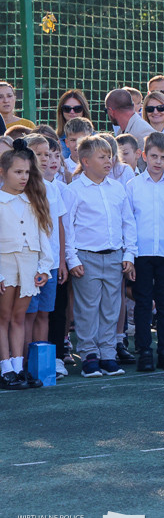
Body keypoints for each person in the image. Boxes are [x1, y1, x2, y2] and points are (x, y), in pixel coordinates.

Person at [65, 135, 137, 378]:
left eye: (110, 156)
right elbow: (68, 228)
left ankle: (108, 354)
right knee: (88, 308)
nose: (108, 161)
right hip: (87, 259)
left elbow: (128, 223)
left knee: (111, 307)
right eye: (102, 157)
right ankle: (89, 355)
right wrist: (72, 259)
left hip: (115, 257)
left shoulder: (117, 188)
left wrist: (129, 254)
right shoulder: (74, 190)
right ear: (85, 161)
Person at [125, 132, 164, 372]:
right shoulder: (133, 187)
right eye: (153, 156)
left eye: (163, 157)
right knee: (142, 304)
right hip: (141, 254)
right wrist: (129, 257)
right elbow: (128, 223)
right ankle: (144, 352)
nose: (158, 162)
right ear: (144, 156)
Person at [0, 141, 53, 389]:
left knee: (19, 317)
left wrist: (44, 267)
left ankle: (19, 367)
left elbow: (43, 236)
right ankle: (5, 368)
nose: (23, 177)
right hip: (6, 265)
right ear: (3, 172)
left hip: (29, 265)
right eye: (17, 172)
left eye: (26, 172)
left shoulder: (34, 202)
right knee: (3, 317)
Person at [22, 136, 67, 376]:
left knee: (44, 314)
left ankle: (41, 366)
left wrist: (61, 261)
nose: (45, 159)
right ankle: (25, 363)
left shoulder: (53, 187)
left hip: (49, 263)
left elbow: (58, 225)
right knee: (28, 314)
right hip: (28, 262)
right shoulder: (20, 185)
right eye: (39, 154)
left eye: (48, 154)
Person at [55, 89, 91, 160]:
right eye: (67, 108)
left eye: (77, 108)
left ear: (84, 110)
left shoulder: (95, 138)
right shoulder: (54, 139)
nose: (72, 112)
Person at [63, 117, 95, 181]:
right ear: (67, 143)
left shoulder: (99, 165)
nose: (78, 144)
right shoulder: (61, 168)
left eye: (82, 139)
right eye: (73, 140)